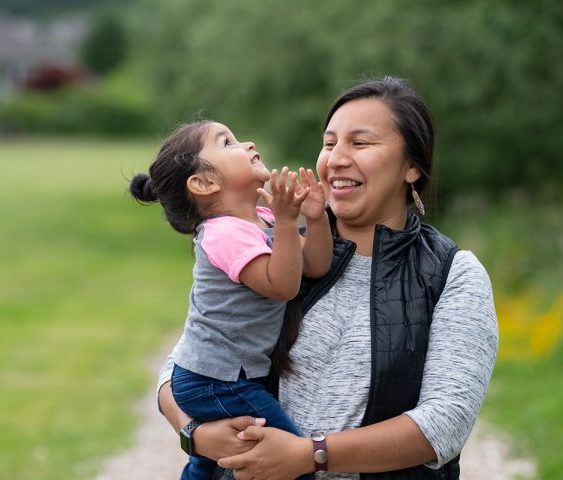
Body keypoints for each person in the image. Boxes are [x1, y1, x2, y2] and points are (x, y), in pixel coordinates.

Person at [157, 77, 499, 480]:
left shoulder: (452, 273)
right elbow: (183, 365)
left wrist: (310, 455)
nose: (336, 158)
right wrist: (195, 435)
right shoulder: (281, 251)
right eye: (330, 142)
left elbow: (444, 424)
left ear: (411, 166)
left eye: (360, 143)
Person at [130, 120, 333, 480]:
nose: (247, 143)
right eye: (227, 143)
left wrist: (314, 221)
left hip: (226, 376)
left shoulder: (265, 219)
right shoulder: (223, 234)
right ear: (204, 183)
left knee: (210, 462)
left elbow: (314, 266)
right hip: (213, 380)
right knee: (289, 455)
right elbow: (281, 285)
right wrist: (288, 224)